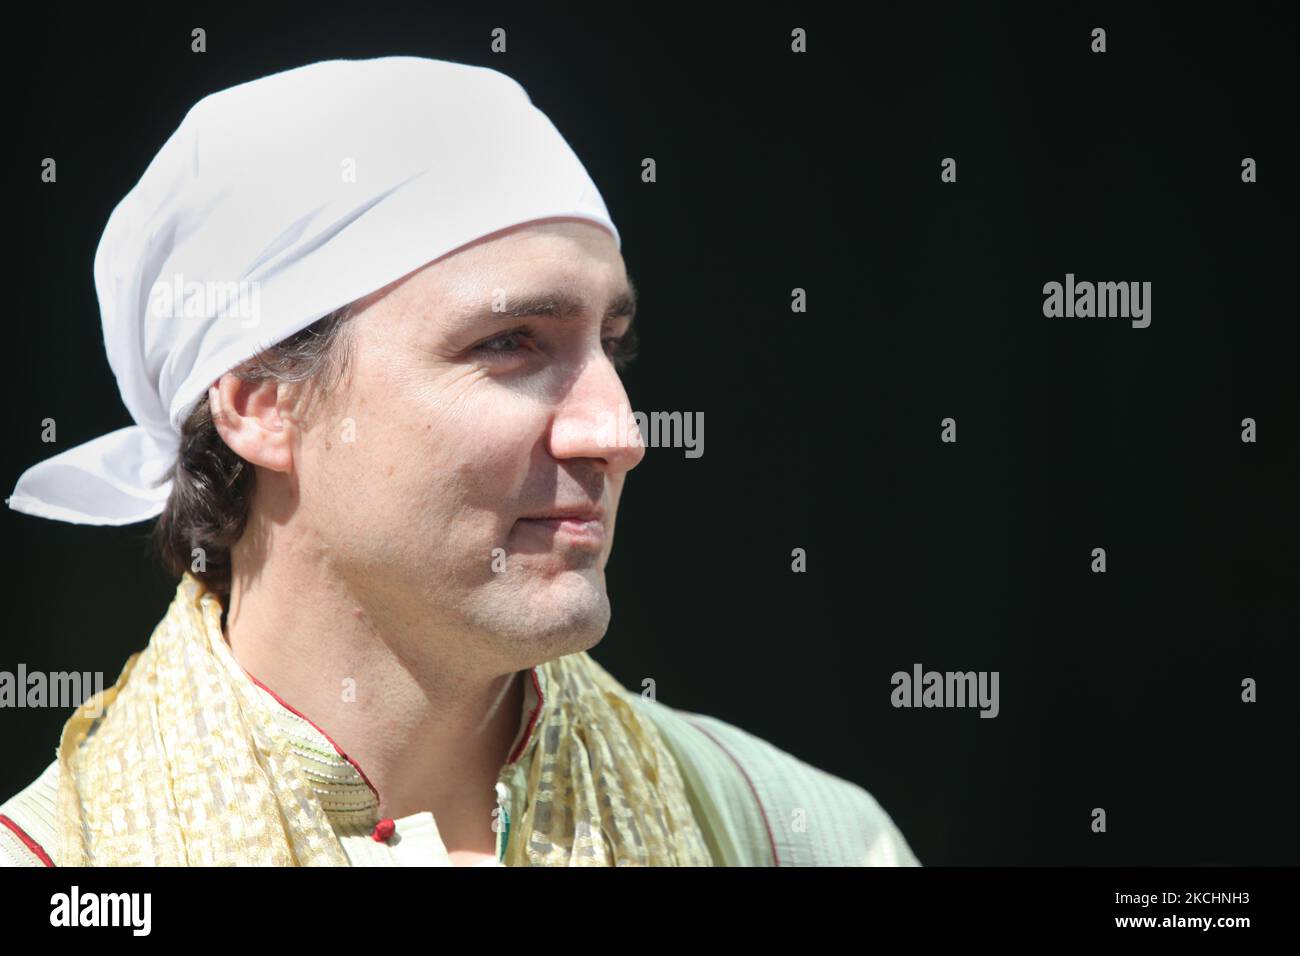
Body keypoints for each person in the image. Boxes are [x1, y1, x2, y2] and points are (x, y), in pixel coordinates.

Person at [0, 56, 918, 867]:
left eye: (614, 345)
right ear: (259, 404)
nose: (619, 432)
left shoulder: (797, 837)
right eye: (511, 342)